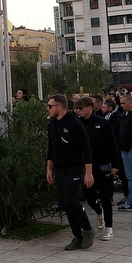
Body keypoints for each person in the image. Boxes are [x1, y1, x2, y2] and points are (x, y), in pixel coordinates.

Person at [46, 95, 94, 251]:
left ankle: (87, 230)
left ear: (59, 107)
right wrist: (49, 168)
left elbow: (86, 149)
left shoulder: (75, 123)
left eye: (50, 106)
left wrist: (88, 173)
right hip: (60, 168)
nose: (48, 108)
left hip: (75, 167)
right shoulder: (52, 124)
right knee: (65, 203)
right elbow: (51, 148)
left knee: (71, 199)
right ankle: (77, 236)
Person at [74, 96, 119, 241]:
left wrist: (115, 164)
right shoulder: (77, 123)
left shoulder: (102, 123)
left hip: (102, 165)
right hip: (85, 167)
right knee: (89, 196)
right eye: (76, 108)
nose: (78, 111)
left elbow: (112, 145)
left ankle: (109, 227)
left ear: (90, 108)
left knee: (106, 197)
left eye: (81, 108)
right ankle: (98, 212)